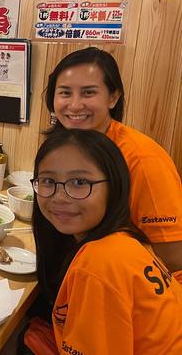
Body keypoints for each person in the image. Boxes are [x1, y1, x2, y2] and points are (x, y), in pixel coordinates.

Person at [32, 128, 182, 353]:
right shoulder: (127, 239)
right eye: (48, 181)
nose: (60, 197)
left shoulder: (98, 263)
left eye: (80, 182)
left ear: (114, 186)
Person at [45, 47, 182, 282]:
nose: (75, 105)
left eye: (88, 93)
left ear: (113, 97)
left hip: (142, 286)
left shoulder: (142, 158)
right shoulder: (66, 146)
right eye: (65, 93)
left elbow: (173, 257)